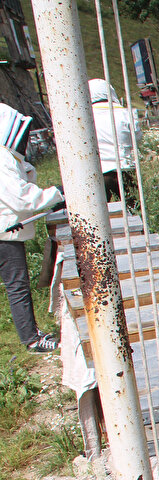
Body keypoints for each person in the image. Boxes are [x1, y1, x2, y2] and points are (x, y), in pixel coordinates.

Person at [0, 103, 63, 353]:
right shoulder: (2, 158)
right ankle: (32, 340)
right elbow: (21, 197)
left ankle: (31, 335)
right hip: (5, 233)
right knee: (17, 286)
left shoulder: (7, 158)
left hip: (7, 231)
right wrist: (56, 194)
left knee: (16, 285)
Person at [89, 79, 140, 201]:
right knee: (135, 211)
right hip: (126, 170)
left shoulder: (86, 116)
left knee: (101, 214)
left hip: (100, 172)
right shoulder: (127, 114)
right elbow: (137, 138)